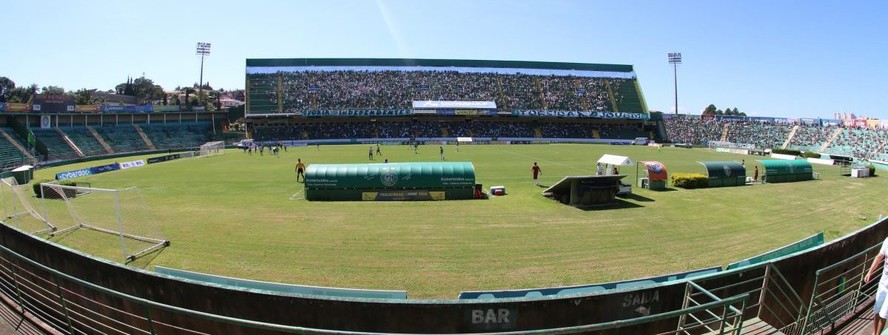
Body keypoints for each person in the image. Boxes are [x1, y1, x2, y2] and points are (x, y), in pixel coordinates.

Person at [865, 237, 888, 335]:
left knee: (884, 313)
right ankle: (874, 333)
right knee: (877, 309)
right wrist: (869, 272)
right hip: (884, 282)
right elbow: (880, 256)